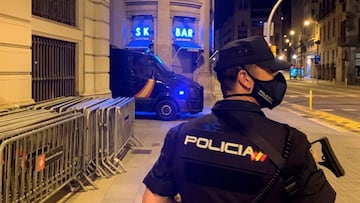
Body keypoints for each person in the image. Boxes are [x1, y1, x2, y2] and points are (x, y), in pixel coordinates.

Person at [142, 36, 336, 203]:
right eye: (270, 71)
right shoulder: (291, 143)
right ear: (245, 78)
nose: (276, 78)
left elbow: (153, 197)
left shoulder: (180, 136)